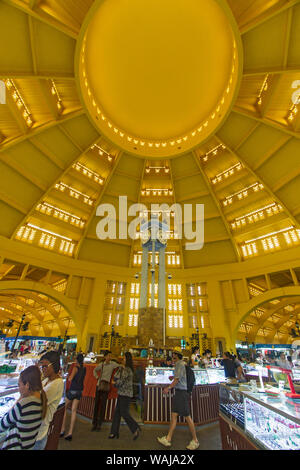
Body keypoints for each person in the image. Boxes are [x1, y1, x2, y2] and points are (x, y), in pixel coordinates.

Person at [157, 351, 199, 450]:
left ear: (179, 358)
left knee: (187, 416)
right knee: (174, 415)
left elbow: (177, 380)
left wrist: (168, 388)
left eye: (174, 358)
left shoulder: (180, 364)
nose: (173, 360)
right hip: (179, 393)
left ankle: (195, 440)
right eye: (172, 358)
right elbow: (178, 377)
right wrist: (173, 378)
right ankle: (168, 438)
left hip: (181, 393)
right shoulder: (180, 365)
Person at [0, 366, 47, 450]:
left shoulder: (23, 404)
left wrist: (21, 397)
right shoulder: (41, 400)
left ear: (27, 385)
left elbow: (2, 425)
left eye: (19, 385)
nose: (18, 389)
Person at [33, 351, 64, 450]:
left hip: (38, 435)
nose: (43, 369)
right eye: (42, 366)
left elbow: (36, 402)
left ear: (54, 365)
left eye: (45, 366)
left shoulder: (56, 384)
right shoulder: (47, 380)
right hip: (35, 432)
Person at [109, 352, 140, 440]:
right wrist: (120, 369)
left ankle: (135, 427)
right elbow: (116, 376)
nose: (123, 360)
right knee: (117, 413)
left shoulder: (127, 370)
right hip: (121, 393)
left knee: (124, 413)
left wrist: (114, 383)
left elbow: (120, 381)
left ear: (127, 359)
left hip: (125, 394)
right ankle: (114, 432)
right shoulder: (124, 369)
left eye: (124, 359)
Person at [61, 353, 86, 441]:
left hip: (72, 390)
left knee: (64, 408)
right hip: (79, 391)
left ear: (76, 360)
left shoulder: (75, 368)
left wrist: (68, 376)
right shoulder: (84, 368)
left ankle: (62, 429)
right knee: (74, 411)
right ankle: (70, 432)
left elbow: (70, 379)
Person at [92, 350, 119, 431]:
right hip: (99, 385)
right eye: (108, 356)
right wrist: (97, 377)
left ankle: (99, 423)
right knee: (96, 404)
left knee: (103, 404)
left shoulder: (113, 364)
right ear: (105, 357)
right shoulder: (101, 365)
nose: (110, 357)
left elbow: (119, 367)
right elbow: (94, 370)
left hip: (106, 386)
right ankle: (94, 423)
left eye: (110, 356)